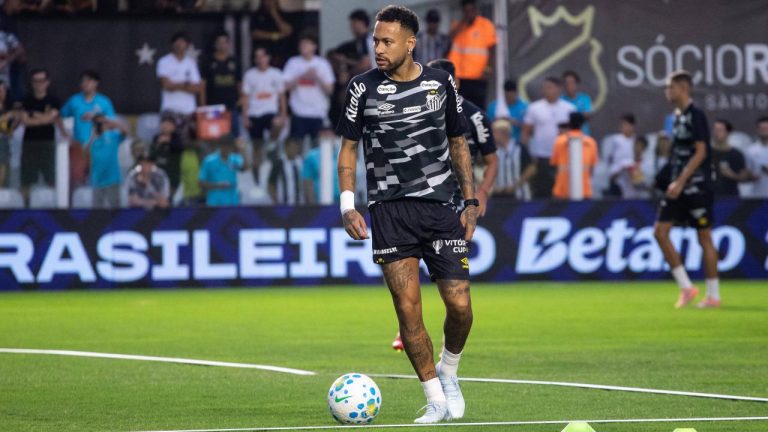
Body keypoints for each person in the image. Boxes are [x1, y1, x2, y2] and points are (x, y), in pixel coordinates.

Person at [336, 6, 476, 424]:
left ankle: (449, 372)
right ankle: (434, 397)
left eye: (387, 41)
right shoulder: (362, 88)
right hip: (389, 211)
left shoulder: (440, 82)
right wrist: (347, 205)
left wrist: (470, 201)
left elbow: (458, 141)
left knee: (460, 306)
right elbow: (347, 149)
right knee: (408, 309)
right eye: (375, 41)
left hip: (439, 207)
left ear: (410, 43)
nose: (378, 48)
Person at [653, 70, 720, 309]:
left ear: (683, 88)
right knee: (660, 232)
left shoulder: (696, 116)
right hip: (676, 185)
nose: (667, 92)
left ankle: (713, 295)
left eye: (670, 87)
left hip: (696, 186)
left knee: (704, 237)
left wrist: (681, 181)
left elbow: (701, 152)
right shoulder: (677, 117)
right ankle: (687, 287)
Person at [520, 77, 576, 198]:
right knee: (542, 188)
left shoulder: (569, 108)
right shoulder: (534, 108)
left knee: (562, 188)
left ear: (558, 89)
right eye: (544, 88)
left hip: (562, 156)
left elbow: (574, 132)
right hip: (541, 155)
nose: (546, 90)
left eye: (550, 87)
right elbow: (526, 131)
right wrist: (526, 152)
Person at [61, 70, 116, 187]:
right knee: (77, 180)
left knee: (98, 180)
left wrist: (95, 117)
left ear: (96, 83)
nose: (85, 83)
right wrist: (66, 135)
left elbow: (112, 123)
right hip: (79, 147)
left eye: (89, 81)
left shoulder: (104, 102)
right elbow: (59, 116)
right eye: (83, 81)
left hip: (98, 147)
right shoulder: (74, 100)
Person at [20, 69, 65, 206]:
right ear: (32, 83)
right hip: (29, 143)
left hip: (47, 143)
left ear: (47, 82)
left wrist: (35, 116)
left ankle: (56, 206)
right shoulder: (26, 100)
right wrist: (45, 118)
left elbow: (53, 118)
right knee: (26, 179)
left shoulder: (53, 100)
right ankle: (24, 207)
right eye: (35, 81)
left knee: (51, 177)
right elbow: (25, 121)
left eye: (42, 81)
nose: (39, 84)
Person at [282, 32, 335, 146]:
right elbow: (285, 87)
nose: (303, 46)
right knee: (296, 146)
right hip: (298, 112)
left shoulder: (322, 64)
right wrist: (302, 76)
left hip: (318, 113)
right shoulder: (293, 62)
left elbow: (330, 90)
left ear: (314, 46)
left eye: (307, 44)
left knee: (316, 147)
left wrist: (316, 77)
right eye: (301, 44)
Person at [447, 0, 496, 108]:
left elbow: (492, 49)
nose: (469, 13)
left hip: (478, 77)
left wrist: (488, 68)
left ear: (476, 10)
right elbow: (449, 39)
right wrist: (463, 22)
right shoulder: (458, 25)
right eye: (466, 11)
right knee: (460, 110)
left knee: (478, 109)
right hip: (460, 78)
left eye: (471, 10)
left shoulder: (485, 25)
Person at [241, 46, 287, 151]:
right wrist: (245, 117)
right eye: (257, 57)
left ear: (268, 58)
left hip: (270, 111)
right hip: (254, 113)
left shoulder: (276, 74)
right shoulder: (249, 75)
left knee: (277, 123)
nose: (260, 59)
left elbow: (282, 96)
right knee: (256, 148)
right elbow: (245, 97)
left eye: (262, 56)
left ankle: (272, 143)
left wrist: (284, 115)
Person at [550, 113, 598, 199]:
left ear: (569, 124)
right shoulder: (591, 142)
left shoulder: (559, 141)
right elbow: (592, 167)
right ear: (582, 124)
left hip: (562, 189)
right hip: (584, 189)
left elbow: (554, 164)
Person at [157, 32, 202, 120]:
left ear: (187, 45)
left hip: (189, 111)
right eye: (177, 42)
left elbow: (197, 88)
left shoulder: (191, 63)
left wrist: (175, 85)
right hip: (169, 110)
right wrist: (186, 85)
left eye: (182, 42)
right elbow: (166, 85)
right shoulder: (164, 61)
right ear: (172, 44)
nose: (179, 45)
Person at [203, 31, 241, 135]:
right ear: (215, 44)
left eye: (224, 42)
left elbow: (239, 82)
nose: (222, 45)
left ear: (229, 44)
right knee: (215, 135)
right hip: (213, 107)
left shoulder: (235, 61)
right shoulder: (208, 61)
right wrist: (203, 106)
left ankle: (234, 152)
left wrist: (240, 99)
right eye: (219, 42)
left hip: (231, 106)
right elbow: (203, 85)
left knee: (234, 136)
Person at [492, 118, 535, 199]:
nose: (492, 135)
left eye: (495, 132)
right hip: (498, 194)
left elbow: (531, 169)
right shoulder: (493, 150)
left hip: (519, 194)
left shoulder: (519, 148)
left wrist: (516, 185)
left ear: (504, 133)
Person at [198, 137, 245, 206]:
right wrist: (219, 185)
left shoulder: (235, 159)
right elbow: (201, 183)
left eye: (229, 146)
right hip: (214, 204)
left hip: (233, 203)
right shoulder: (209, 161)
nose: (227, 149)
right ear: (220, 146)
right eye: (224, 146)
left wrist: (242, 150)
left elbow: (245, 168)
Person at [711, 119, 749, 197]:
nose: (716, 133)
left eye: (720, 130)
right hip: (710, 196)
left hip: (730, 196)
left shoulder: (736, 154)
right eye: (715, 130)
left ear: (727, 132)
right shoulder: (706, 153)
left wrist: (732, 175)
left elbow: (744, 177)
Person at [251, 0, 294, 68]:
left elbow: (287, 31)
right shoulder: (257, 15)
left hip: (280, 53)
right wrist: (275, 36)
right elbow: (254, 33)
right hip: (262, 53)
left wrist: (274, 14)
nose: (269, 2)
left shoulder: (283, 14)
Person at [150, 114, 184, 200]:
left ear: (173, 126)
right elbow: (151, 157)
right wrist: (158, 144)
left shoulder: (177, 139)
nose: (165, 126)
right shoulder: (156, 138)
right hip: (158, 177)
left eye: (168, 124)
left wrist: (168, 141)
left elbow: (179, 148)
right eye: (163, 123)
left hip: (173, 177)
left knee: (170, 201)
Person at [332, 9, 374, 77]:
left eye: (354, 23)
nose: (351, 27)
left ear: (361, 23)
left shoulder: (366, 40)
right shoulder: (363, 40)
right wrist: (346, 60)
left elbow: (366, 64)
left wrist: (349, 74)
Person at [603, 114, 637, 196]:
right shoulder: (615, 140)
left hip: (631, 180)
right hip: (616, 178)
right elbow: (609, 159)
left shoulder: (636, 141)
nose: (622, 127)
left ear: (632, 126)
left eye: (625, 125)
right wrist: (617, 170)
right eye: (621, 125)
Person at [302, 131, 339, 204]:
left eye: (330, 133)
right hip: (320, 202)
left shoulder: (341, 153)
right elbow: (307, 180)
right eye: (324, 133)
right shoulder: (311, 156)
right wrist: (311, 203)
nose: (327, 136)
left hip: (342, 202)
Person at [268, 136, 304, 204]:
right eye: (291, 147)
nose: (293, 150)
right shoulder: (278, 163)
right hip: (283, 204)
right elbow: (271, 184)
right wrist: (275, 201)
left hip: (300, 205)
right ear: (286, 148)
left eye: (295, 148)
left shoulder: (302, 162)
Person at [0, 81, 21, 187]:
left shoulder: (7, 108)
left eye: (3, 90)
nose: (1, 93)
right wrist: (6, 117)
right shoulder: (7, 113)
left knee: (4, 177)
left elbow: (7, 131)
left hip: (4, 146)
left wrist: (16, 120)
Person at [561, 70, 593, 136]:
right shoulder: (560, 99)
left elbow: (587, 116)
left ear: (577, 84)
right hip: (565, 136)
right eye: (566, 83)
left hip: (582, 135)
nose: (569, 85)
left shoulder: (585, 98)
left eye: (571, 82)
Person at [745, 116, 768, 198]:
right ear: (757, 130)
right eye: (762, 128)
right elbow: (747, 173)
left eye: (766, 128)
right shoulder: (750, 150)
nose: (764, 131)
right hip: (757, 196)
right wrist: (751, 176)